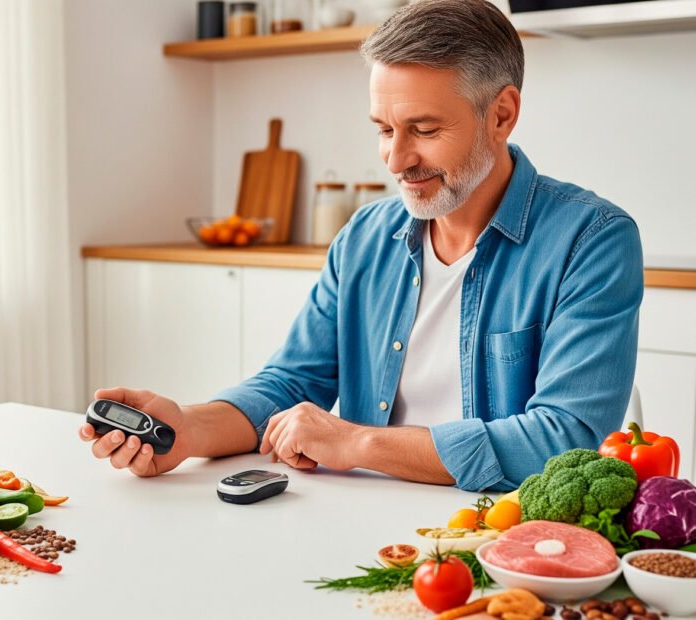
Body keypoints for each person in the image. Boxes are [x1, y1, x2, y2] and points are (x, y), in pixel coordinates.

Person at [78, 0, 643, 492]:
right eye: (383, 129)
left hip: (494, 536)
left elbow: (564, 440)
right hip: (360, 521)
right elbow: (292, 382)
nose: (396, 160)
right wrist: (188, 429)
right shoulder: (366, 236)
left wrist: (357, 443)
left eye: (424, 130)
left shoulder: (591, 240)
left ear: (501, 115)